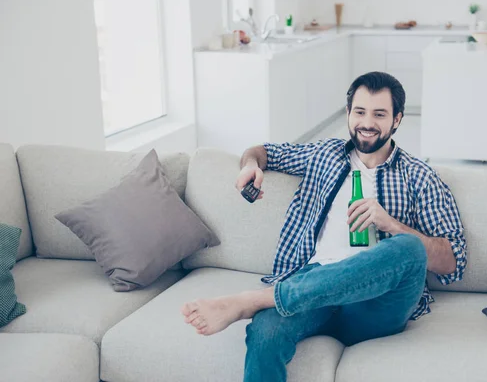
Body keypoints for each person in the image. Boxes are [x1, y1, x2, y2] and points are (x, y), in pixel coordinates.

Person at [181, 71, 467, 382]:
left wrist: (392, 224)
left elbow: (453, 260)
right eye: (359, 112)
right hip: (311, 289)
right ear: (348, 113)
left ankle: (255, 300)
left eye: (379, 114)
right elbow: (262, 151)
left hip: (374, 305)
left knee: (409, 248)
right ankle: (270, 302)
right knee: (265, 332)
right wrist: (250, 165)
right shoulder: (323, 154)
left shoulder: (419, 176)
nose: (367, 122)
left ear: (396, 120)